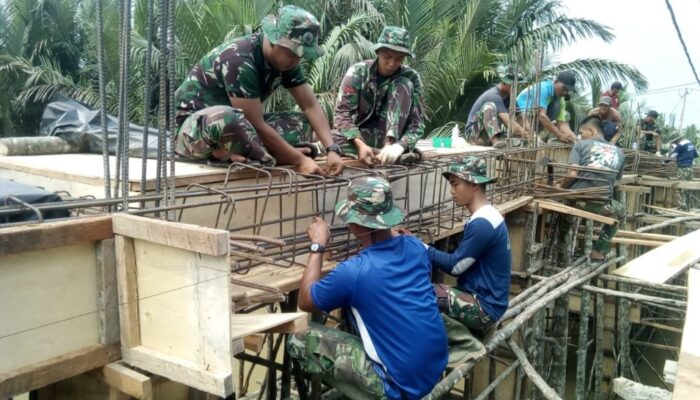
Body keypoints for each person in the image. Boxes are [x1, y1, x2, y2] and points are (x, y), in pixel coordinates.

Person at [289, 177, 448, 399]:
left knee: (299, 338)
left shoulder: (355, 271)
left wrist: (318, 245)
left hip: (400, 385)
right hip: (435, 366)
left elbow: (305, 301)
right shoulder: (414, 246)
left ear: (354, 224)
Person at [173, 5, 343, 176]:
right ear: (273, 40)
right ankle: (262, 155)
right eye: (293, 52)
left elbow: (310, 106)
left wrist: (332, 149)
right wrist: (300, 161)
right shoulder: (239, 60)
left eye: (301, 55)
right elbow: (257, 125)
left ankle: (240, 154)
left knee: (302, 123)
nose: (296, 60)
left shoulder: (288, 62)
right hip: (196, 131)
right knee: (228, 117)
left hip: (242, 130)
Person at [425, 157, 512, 334]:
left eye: (455, 184)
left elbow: (455, 267)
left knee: (419, 292)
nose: (452, 191)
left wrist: (420, 247)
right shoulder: (488, 215)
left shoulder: (483, 223)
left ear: (474, 184)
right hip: (487, 300)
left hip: (484, 309)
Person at [333, 27, 425, 166]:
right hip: (361, 137)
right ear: (378, 52)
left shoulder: (411, 77)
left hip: (395, 140)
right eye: (387, 57)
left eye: (399, 59)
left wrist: (399, 145)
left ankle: (391, 152)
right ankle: (389, 155)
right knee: (328, 139)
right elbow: (342, 114)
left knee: (403, 84)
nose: (392, 64)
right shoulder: (358, 73)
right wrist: (360, 145)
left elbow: (417, 124)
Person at [557, 116, 626, 264]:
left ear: (591, 130)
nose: (580, 136)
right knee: (620, 212)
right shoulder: (619, 152)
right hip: (601, 205)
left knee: (565, 216)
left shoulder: (580, 145)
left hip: (576, 201)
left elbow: (572, 173)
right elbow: (616, 181)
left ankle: (561, 252)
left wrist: (560, 191)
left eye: (582, 133)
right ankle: (598, 251)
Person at [465, 65, 529, 148]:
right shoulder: (494, 96)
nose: (517, 88)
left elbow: (521, 118)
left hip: (487, 135)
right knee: (489, 106)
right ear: (504, 83)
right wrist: (526, 135)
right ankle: (496, 142)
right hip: (473, 135)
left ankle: (496, 142)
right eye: (513, 85)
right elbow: (508, 122)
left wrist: (533, 135)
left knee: (517, 140)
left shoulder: (510, 96)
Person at [515, 71, 578, 144]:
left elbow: (561, 123)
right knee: (552, 112)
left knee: (561, 111)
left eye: (567, 90)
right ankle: (531, 136)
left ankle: (536, 136)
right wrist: (559, 135)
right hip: (520, 117)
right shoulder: (543, 88)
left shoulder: (560, 99)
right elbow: (542, 116)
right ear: (556, 81)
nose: (565, 93)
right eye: (563, 88)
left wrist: (572, 136)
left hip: (533, 119)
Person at [669, 133, 699, 210]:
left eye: (675, 142)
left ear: (677, 139)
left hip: (682, 169)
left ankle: (682, 206)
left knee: (680, 187)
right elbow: (696, 155)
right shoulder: (690, 144)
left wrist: (664, 161)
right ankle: (688, 207)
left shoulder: (680, 145)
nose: (675, 143)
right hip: (690, 169)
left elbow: (672, 156)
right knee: (687, 188)